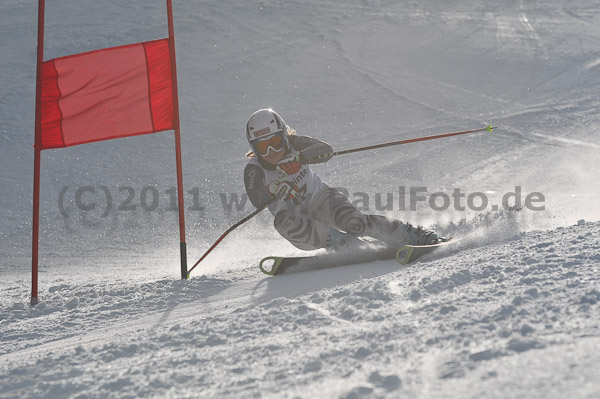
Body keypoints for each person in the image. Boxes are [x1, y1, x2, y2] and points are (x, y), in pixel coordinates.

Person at [243, 108, 441, 251]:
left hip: (322, 200)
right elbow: (256, 197)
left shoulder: (295, 144)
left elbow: (326, 151)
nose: (271, 152)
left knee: (355, 223)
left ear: (284, 137)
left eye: (276, 143)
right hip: (298, 224)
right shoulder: (254, 170)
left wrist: (300, 157)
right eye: (263, 147)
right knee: (282, 221)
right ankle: (349, 246)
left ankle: (414, 235)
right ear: (254, 148)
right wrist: (274, 188)